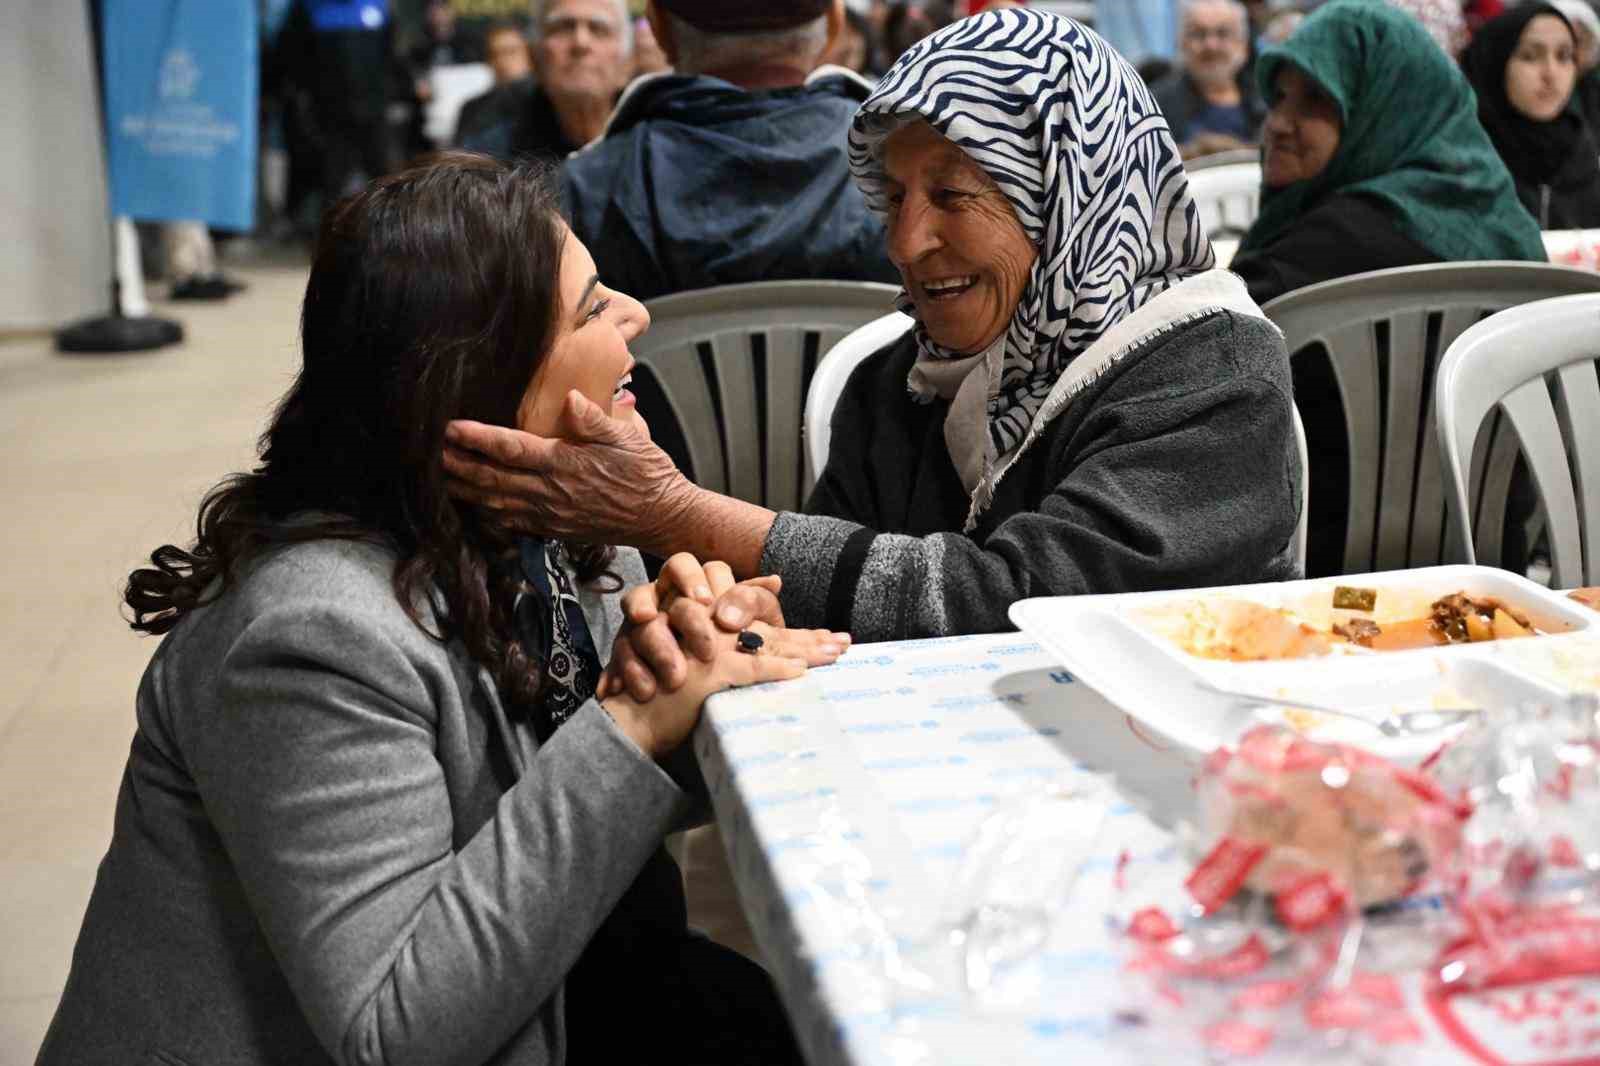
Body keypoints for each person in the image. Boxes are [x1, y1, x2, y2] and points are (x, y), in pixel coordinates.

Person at [36, 154, 847, 1066]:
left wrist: (695, 673)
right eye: (591, 309)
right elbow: (397, 1034)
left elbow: (588, 805)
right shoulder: (313, 636)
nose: (636, 314)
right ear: (480, 382)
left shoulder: (554, 530)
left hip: (557, 987)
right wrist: (630, 722)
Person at [443, 8, 1302, 642]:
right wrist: (733, 612)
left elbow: (1028, 605)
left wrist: (675, 513)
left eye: (953, 194)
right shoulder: (899, 384)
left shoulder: (1212, 371)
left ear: (1072, 201)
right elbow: (818, 591)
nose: (905, 241)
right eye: (891, 197)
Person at [1229, 0, 1546, 577]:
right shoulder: (1516, 237)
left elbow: (1205, 361)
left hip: (1313, 578)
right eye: (1279, 98)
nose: (1277, 122)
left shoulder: (1315, 249)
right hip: (1491, 576)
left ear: (1381, 107)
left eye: (1315, 101)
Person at [1462, 2, 1600, 228]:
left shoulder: (1580, 152)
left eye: (1564, 56)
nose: (1551, 74)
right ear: (1496, 62)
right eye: (1530, 56)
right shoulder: (1463, 157)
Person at [464, 0, 630, 163]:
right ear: (534, 55)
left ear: (626, 60)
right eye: (563, 28)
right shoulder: (488, 160)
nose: (581, 43)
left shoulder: (645, 148)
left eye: (598, 29)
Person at [1150, 0, 1267, 159]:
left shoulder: (1267, 101)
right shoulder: (1153, 105)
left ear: (1244, 46)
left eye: (1223, 34)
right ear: (1181, 43)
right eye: (1199, 34)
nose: (1211, 45)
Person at [453, 20, 536, 147]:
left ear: (529, 54)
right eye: (494, 54)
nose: (502, 61)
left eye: (511, 51)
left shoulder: (549, 102)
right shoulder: (472, 109)